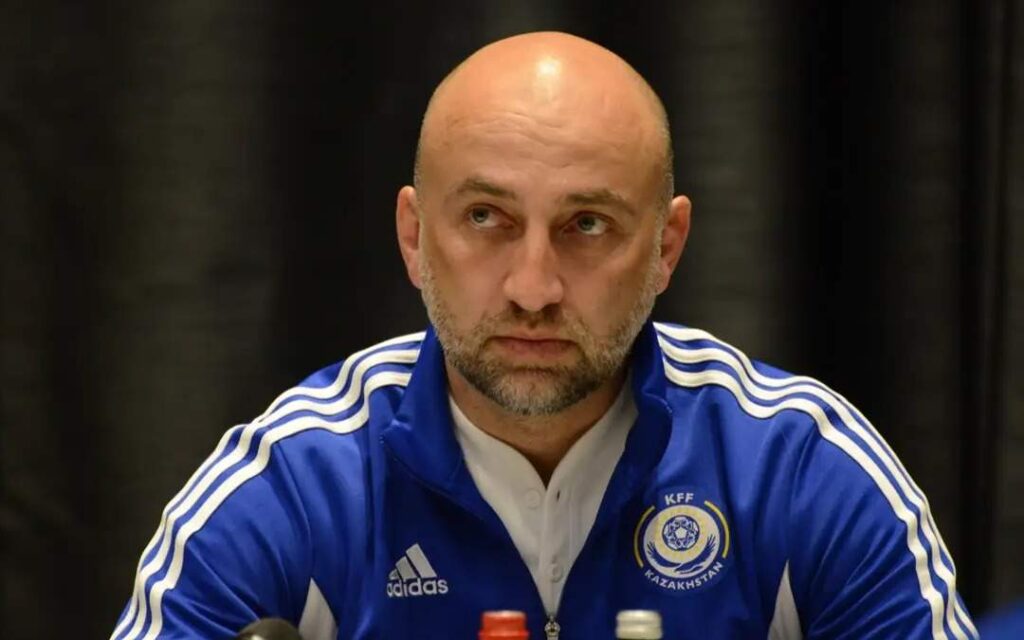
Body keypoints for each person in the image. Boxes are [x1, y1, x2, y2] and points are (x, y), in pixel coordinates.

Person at [110, 32, 977, 639]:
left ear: (666, 247)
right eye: (486, 218)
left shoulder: (795, 469)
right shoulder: (295, 486)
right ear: (414, 237)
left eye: (587, 225)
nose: (533, 287)